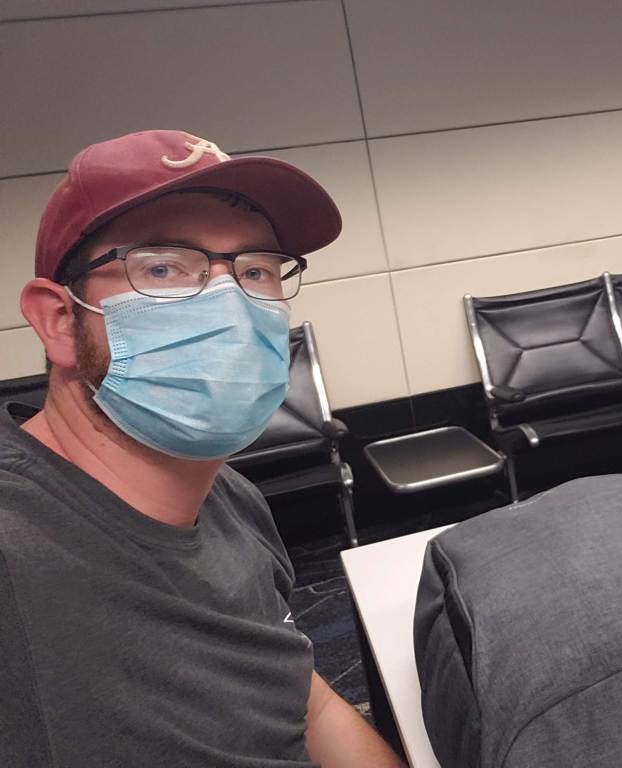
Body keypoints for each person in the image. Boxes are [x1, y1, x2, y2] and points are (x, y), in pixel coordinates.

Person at [0, 130, 405, 768]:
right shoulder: (16, 554)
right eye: (162, 268)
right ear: (58, 322)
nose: (230, 303)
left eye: (255, 270)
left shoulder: (230, 499)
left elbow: (301, 700)